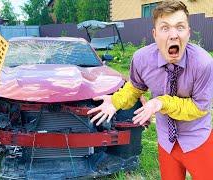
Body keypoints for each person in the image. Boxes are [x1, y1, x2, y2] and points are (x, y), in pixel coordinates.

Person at [88, 0, 213, 179]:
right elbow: (134, 88)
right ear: (154, 34)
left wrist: (160, 102)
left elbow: (199, 107)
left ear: (188, 32)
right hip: (166, 141)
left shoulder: (203, 63)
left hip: (198, 140)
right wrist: (115, 101)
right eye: (165, 28)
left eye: (180, 27)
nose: (173, 35)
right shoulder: (141, 59)